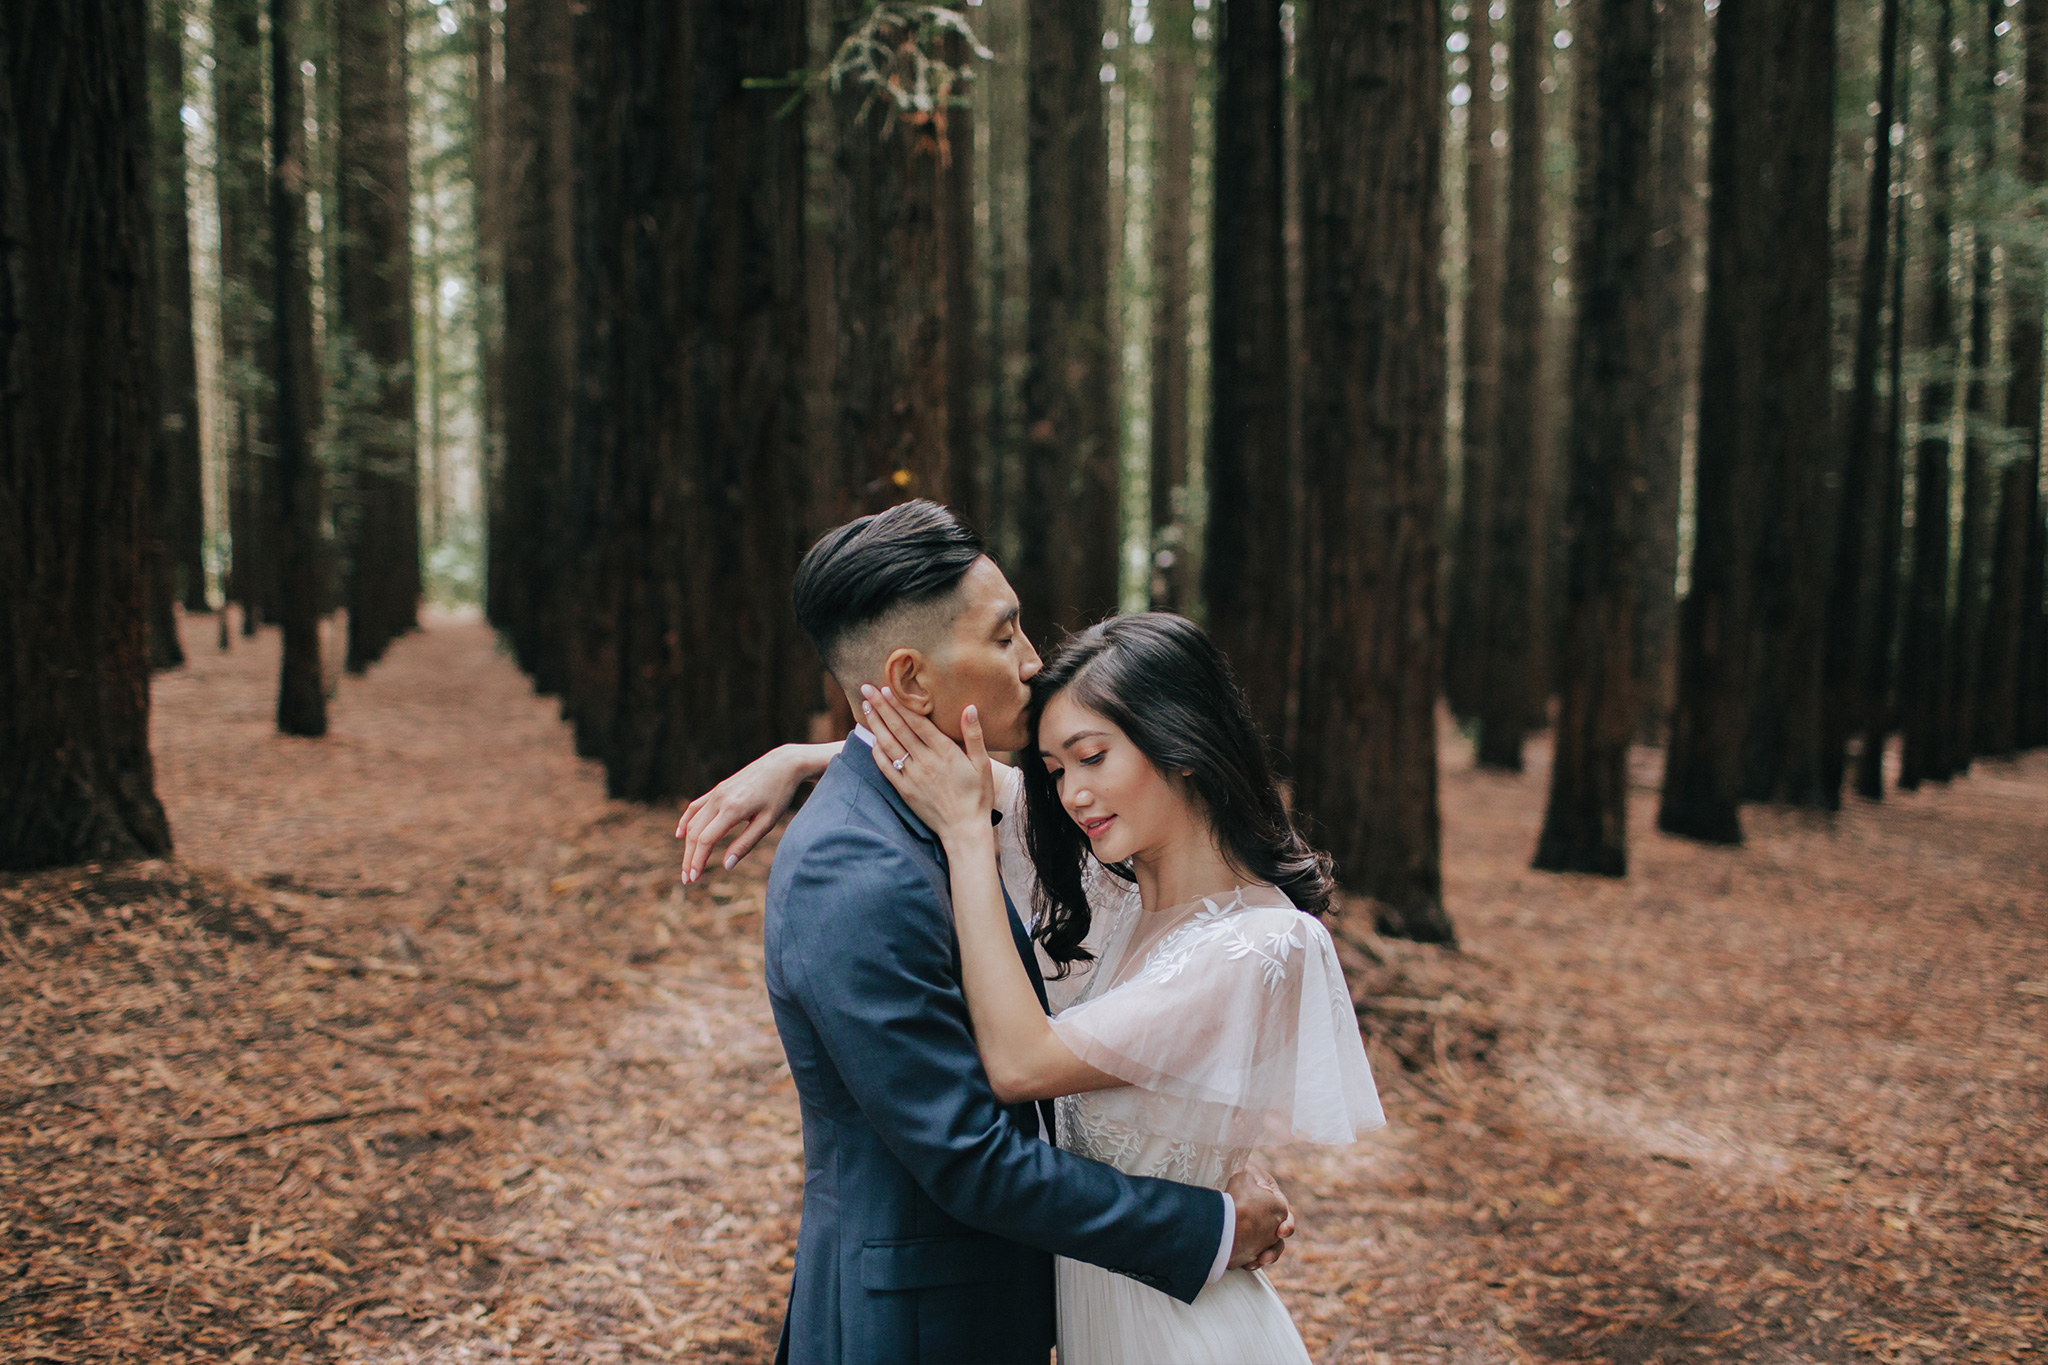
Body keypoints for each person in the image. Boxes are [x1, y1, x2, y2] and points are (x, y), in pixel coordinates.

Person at [688, 540, 1383, 1361]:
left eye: (1090, 758)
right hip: (960, 1321)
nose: (1031, 661)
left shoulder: (1232, 932)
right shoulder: (889, 867)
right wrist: (799, 759)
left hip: (1164, 1327)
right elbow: (979, 1140)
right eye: (1058, 767)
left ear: (1181, 743)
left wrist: (1213, 1192)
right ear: (912, 679)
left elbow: (1040, 1068)